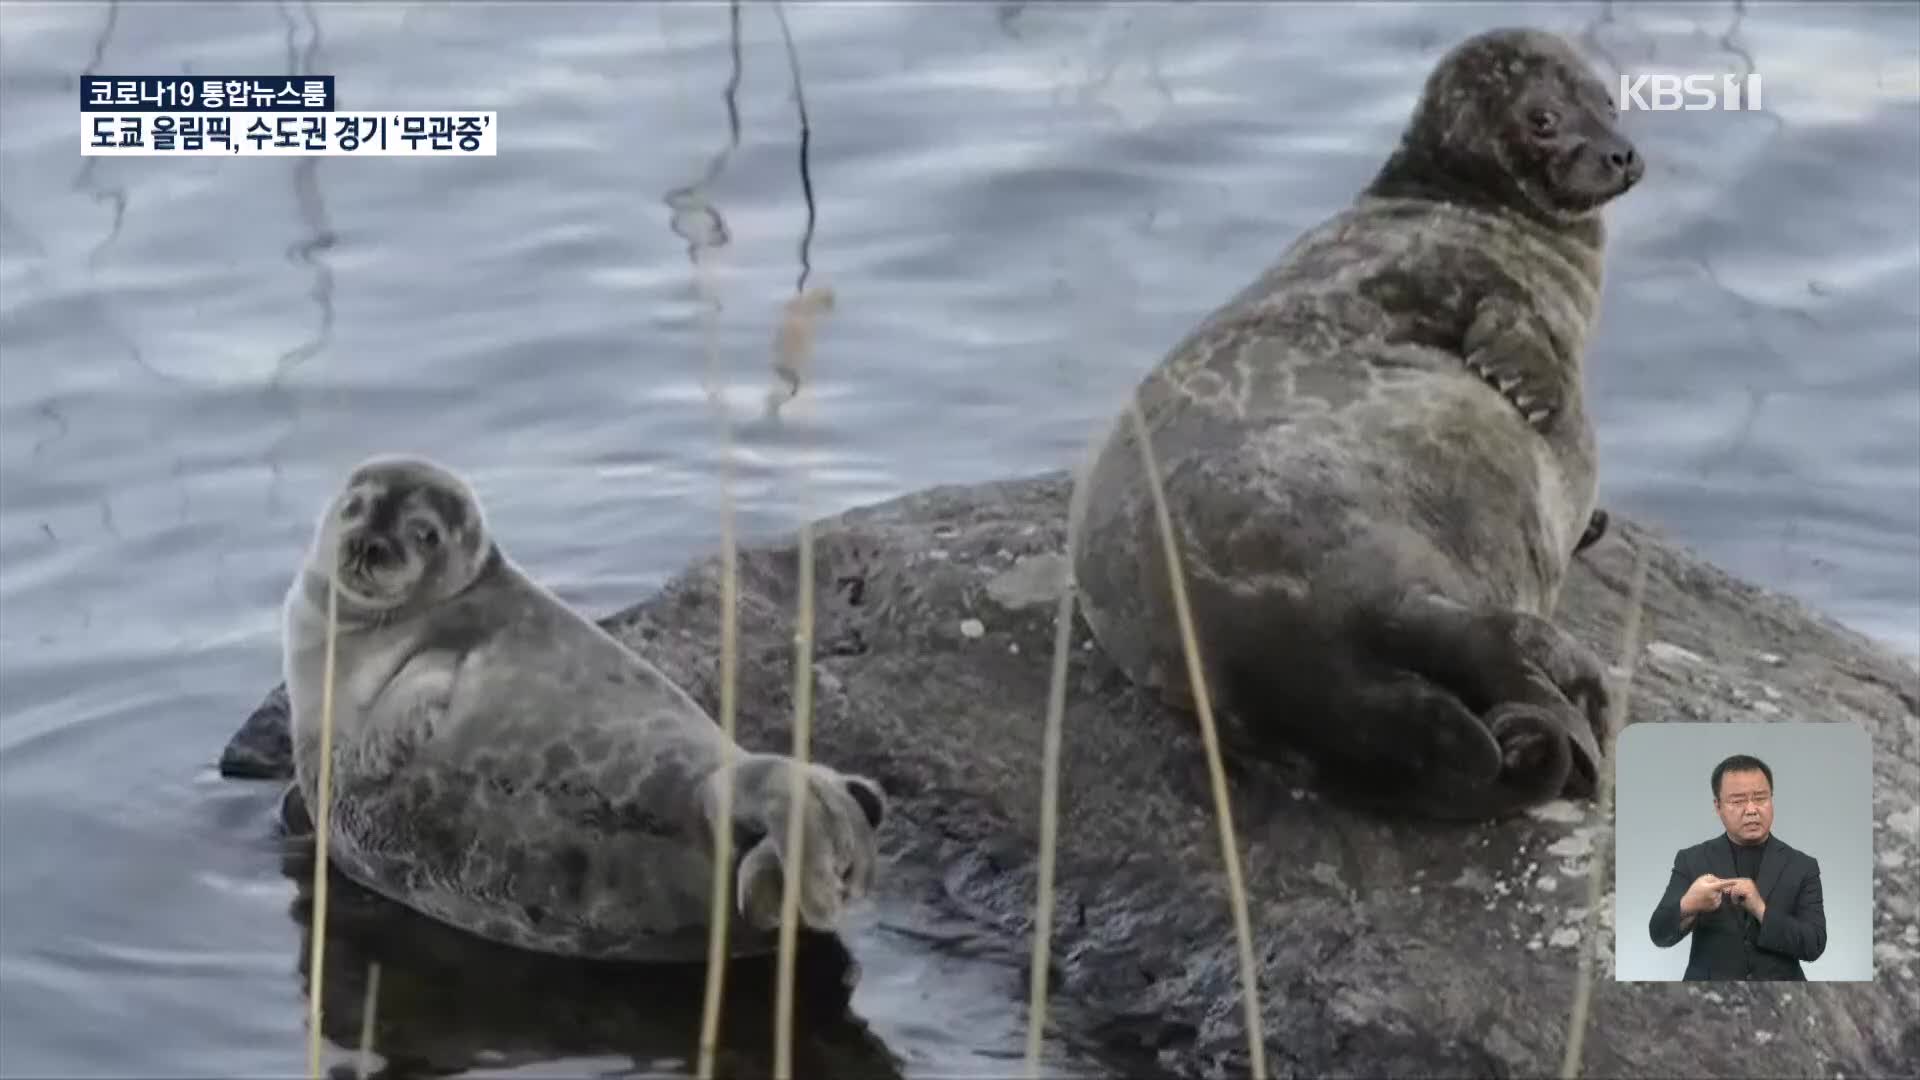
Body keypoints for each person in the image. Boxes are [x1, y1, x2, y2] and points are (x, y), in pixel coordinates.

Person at [1647, 753, 1828, 980]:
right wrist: (1688, 905)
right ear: (1718, 806)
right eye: (1738, 801)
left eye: (1760, 798)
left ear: (1772, 800)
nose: (1751, 810)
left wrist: (1761, 910)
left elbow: (1814, 945)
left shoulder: (1802, 866)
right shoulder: (1692, 860)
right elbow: (1659, 934)